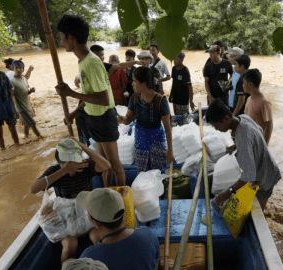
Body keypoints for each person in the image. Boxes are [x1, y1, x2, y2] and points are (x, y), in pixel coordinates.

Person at [55, 15, 125, 187]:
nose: (61, 41)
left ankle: (123, 197)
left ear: (71, 38)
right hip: (93, 117)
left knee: (114, 164)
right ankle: (108, 194)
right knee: (103, 165)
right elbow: (91, 94)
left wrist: (71, 93)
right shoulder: (83, 61)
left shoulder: (92, 63)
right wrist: (75, 111)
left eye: (62, 37)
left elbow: (103, 99)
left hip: (103, 117)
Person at [30, 137, 110, 263]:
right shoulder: (55, 171)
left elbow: (106, 165)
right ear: (59, 162)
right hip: (67, 219)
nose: (72, 168)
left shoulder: (85, 166)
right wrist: (63, 171)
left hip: (88, 216)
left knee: (96, 236)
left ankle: (106, 267)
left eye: (74, 162)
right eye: (67, 164)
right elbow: (33, 189)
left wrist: (81, 145)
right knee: (70, 245)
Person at [207, 99, 281, 212]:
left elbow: (248, 176)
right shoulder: (243, 118)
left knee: (256, 212)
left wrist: (228, 192)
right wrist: (237, 145)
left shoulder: (243, 136)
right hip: (268, 167)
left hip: (265, 179)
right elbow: (259, 130)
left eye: (216, 125)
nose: (217, 129)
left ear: (226, 119)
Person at [118, 67, 173, 172]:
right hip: (141, 140)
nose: (132, 84)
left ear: (143, 84)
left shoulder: (160, 101)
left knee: (158, 173)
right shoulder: (134, 97)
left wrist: (170, 150)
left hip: (157, 141)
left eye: (134, 81)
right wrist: (122, 120)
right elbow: (128, 118)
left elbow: (167, 128)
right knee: (143, 173)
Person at [10, 59, 41, 138]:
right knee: (33, 124)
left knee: (26, 124)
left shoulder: (24, 79)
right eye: (16, 68)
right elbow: (11, 97)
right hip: (21, 108)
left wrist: (30, 91)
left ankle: (26, 137)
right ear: (13, 69)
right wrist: (15, 110)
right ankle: (40, 137)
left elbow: (25, 93)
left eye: (20, 68)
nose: (18, 69)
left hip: (27, 105)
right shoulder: (12, 81)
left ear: (23, 69)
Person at [242, 69, 273, 144]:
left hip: (258, 142)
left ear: (250, 84)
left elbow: (269, 126)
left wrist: (264, 145)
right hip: (249, 140)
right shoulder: (249, 99)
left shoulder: (264, 103)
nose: (242, 85)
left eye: (243, 82)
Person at [226, 47, 244, 112]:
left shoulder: (242, 72)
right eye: (229, 56)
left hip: (238, 108)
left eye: (232, 57)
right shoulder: (235, 68)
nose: (230, 59)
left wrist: (234, 114)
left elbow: (242, 99)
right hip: (232, 103)